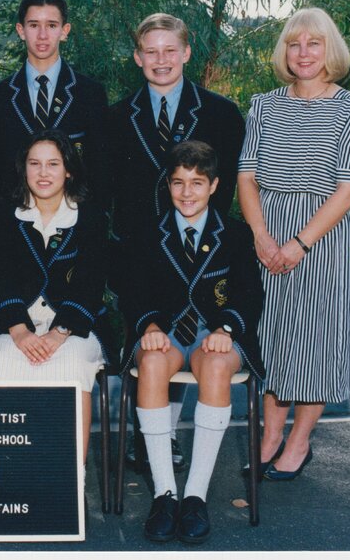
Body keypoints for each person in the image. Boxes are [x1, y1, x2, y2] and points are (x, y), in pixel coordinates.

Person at [237, 7, 350, 481]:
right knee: (272, 336)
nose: (303, 53)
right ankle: (270, 435)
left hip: (322, 238)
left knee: (314, 340)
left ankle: (299, 441)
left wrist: (298, 243)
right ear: (284, 52)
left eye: (314, 43)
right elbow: (247, 176)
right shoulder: (264, 104)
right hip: (267, 232)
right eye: (294, 44)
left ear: (329, 49)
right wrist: (260, 236)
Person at [107, 13, 245, 470]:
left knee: (190, 334)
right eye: (151, 51)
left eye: (171, 50)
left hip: (197, 256)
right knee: (151, 343)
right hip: (139, 256)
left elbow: (225, 193)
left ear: (187, 53)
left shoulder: (221, 114)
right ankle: (150, 439)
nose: (161, 60)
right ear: (137, 57)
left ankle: (168, 437)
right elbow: (110, 197)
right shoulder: (116, 116)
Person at [122, 141, 263, 544]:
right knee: (150, 361)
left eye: (197, 183)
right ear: (167, 185)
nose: (187, 193)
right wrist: (148, 323)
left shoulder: (235, 234)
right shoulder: (149, 232)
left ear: (215, 185)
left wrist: (227, 330)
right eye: (179, 183)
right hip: (165, 333)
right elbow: (133, 290)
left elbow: (249, 294)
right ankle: (165, 493)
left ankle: (195, 495)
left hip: (214, 335)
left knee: (217, 365)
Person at [0, 130, 113, 461]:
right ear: (24, 169)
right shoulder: (5, 215)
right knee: (4, 361)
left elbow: (91, 283)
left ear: (69, 170)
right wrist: (19, 330)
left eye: (53, 164)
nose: (44, 173)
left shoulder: (90, 218)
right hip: (12, 323)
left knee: (70, 365)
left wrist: (60, 332)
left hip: (74, 325)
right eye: (35, 164)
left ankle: (68, 484)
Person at [0, 0, 108, 207]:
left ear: (65, 30)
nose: (42, 35)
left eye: (51, 25)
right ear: (21, 30)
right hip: (12, 228)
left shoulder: (90, 94)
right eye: (34, 25)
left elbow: (99, 174)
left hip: (75, 226)